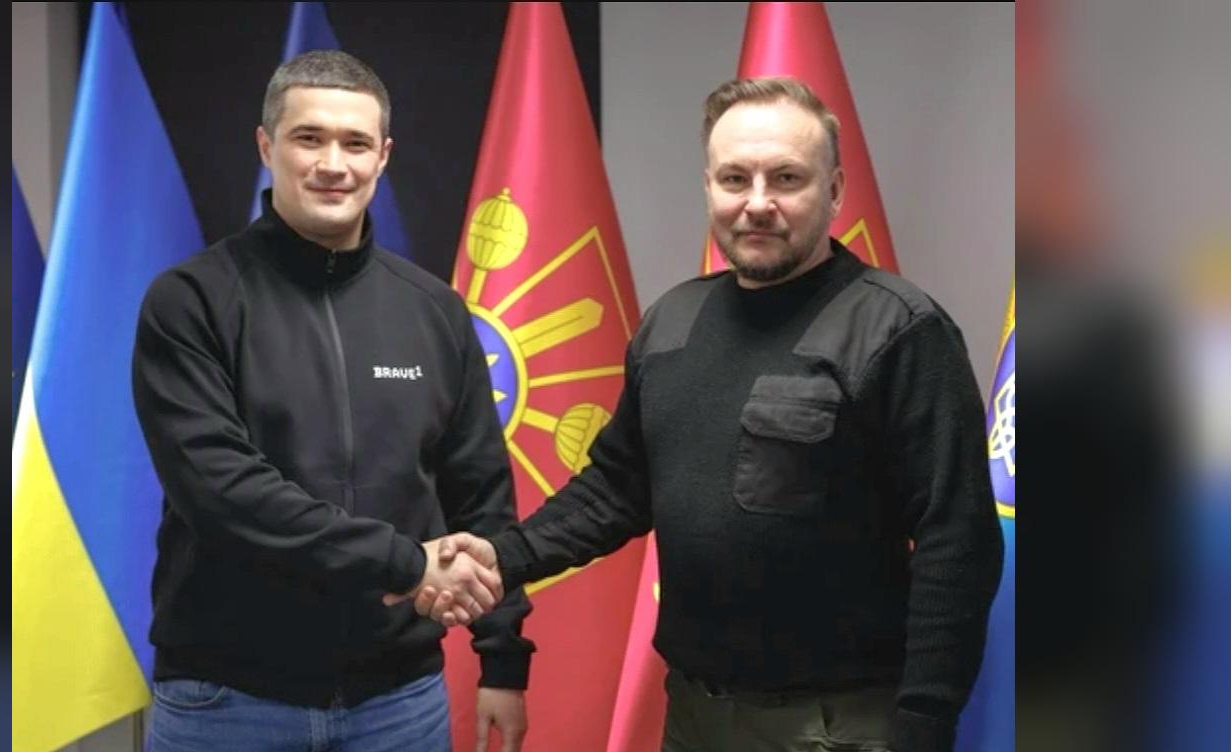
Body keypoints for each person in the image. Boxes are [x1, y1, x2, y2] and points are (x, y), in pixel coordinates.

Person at [416, 76, 1003, 752]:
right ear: (709, 187)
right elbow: (615, 490)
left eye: (787, 178)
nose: (757, 203)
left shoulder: (899, 331)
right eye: (734, 179)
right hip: (694, 716)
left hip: (841, 725)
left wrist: (927, 722)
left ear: (836, 190)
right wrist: (500, 557)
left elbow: (957, 539)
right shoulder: (672, 322)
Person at [132, 49, 533, 752]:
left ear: (383, 156)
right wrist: (405, 563)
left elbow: (480, 490)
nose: (332, 164)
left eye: (355, 143)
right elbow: (224, 494)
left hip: (399, 703)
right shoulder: (191, 302)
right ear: (267, 146)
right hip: (227, 701)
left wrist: (501, 656)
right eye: (308, 138)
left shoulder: (433, 310)